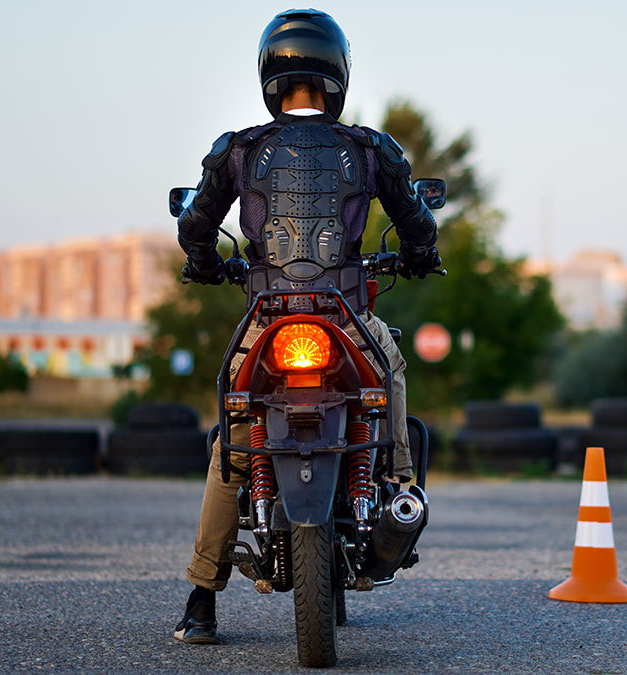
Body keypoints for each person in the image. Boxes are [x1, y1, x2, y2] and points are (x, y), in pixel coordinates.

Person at [172, 9, 441, 645]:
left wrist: (208, 267)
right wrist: (419, 258)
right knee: (389, 377)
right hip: (347, 317)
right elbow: (419, 226)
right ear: (338, 74)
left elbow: (195, 227)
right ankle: (399, 489)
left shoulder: (239, 149)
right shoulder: (370, 148)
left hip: (267, 322)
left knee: (234, 434)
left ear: (270, 72)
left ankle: (201, 599)